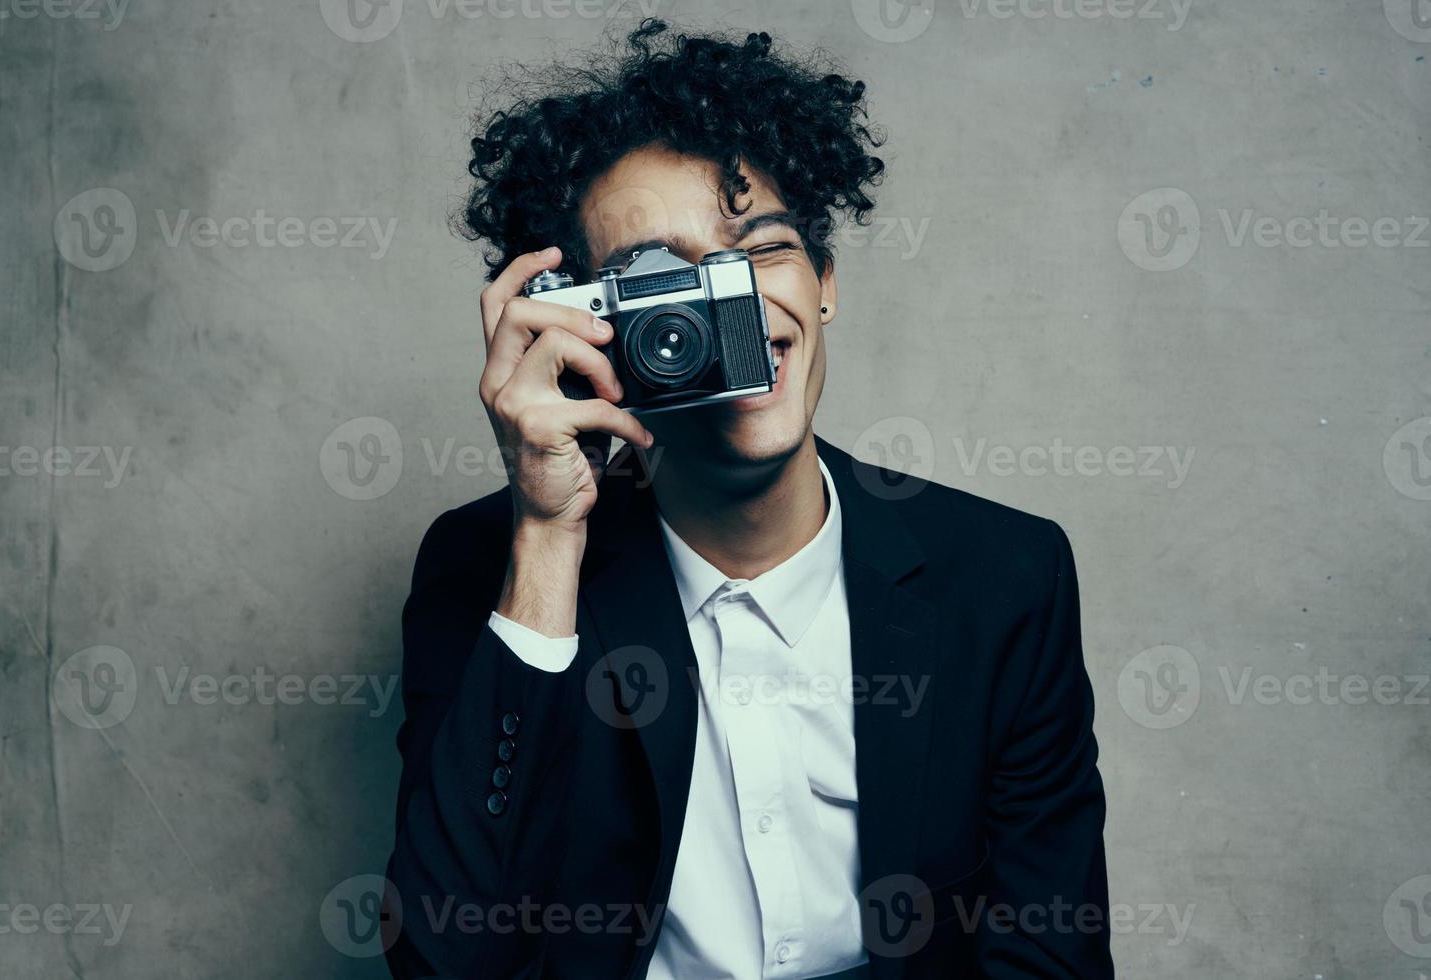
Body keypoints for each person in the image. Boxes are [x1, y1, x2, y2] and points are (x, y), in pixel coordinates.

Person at [385, 19, 1111, 979]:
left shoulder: (1005, 577)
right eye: (660, 277)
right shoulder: (495, 563)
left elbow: (1051, 956)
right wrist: (548, 536)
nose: (726, 306)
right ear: (586, 329)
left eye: (759, 251)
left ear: (824, 286)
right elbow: (445, 957)